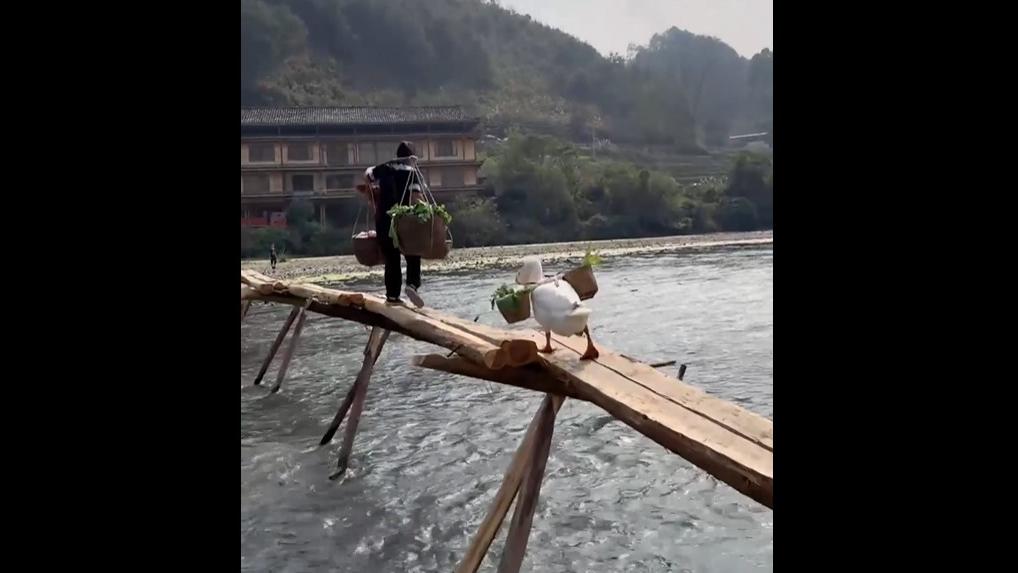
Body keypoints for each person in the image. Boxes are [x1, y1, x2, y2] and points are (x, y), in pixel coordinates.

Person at [361, 141, 425, 307]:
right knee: (413, 252)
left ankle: (392, 296)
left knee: (391, 258)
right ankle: (412, 284)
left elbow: (368, 174)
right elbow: (416, 197)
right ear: (411, 157)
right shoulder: (412, 172)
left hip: (384, 219)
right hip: (404, 219)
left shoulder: (384, 168)